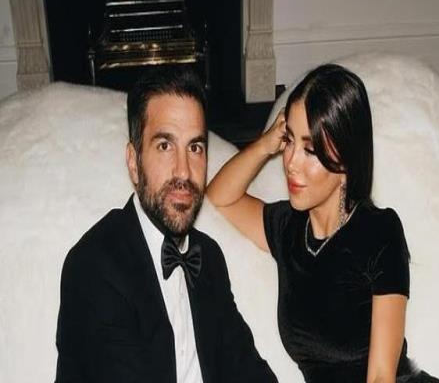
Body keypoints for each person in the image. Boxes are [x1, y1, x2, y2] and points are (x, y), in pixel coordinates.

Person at [207, 64, 439, 383]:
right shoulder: (287, 228)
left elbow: (380, 376)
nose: (291, 163)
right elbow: (220, 197)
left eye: (309, 150)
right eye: (289, 141)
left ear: (345, 157)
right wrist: (265, 145)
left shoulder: (379, 232)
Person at [55, 67, 277, 383]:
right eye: (165, 146)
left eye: (195, 148)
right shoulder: (94, 265)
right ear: (134, 162)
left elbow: (246, 366)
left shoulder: (207, 257)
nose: (183, 171)